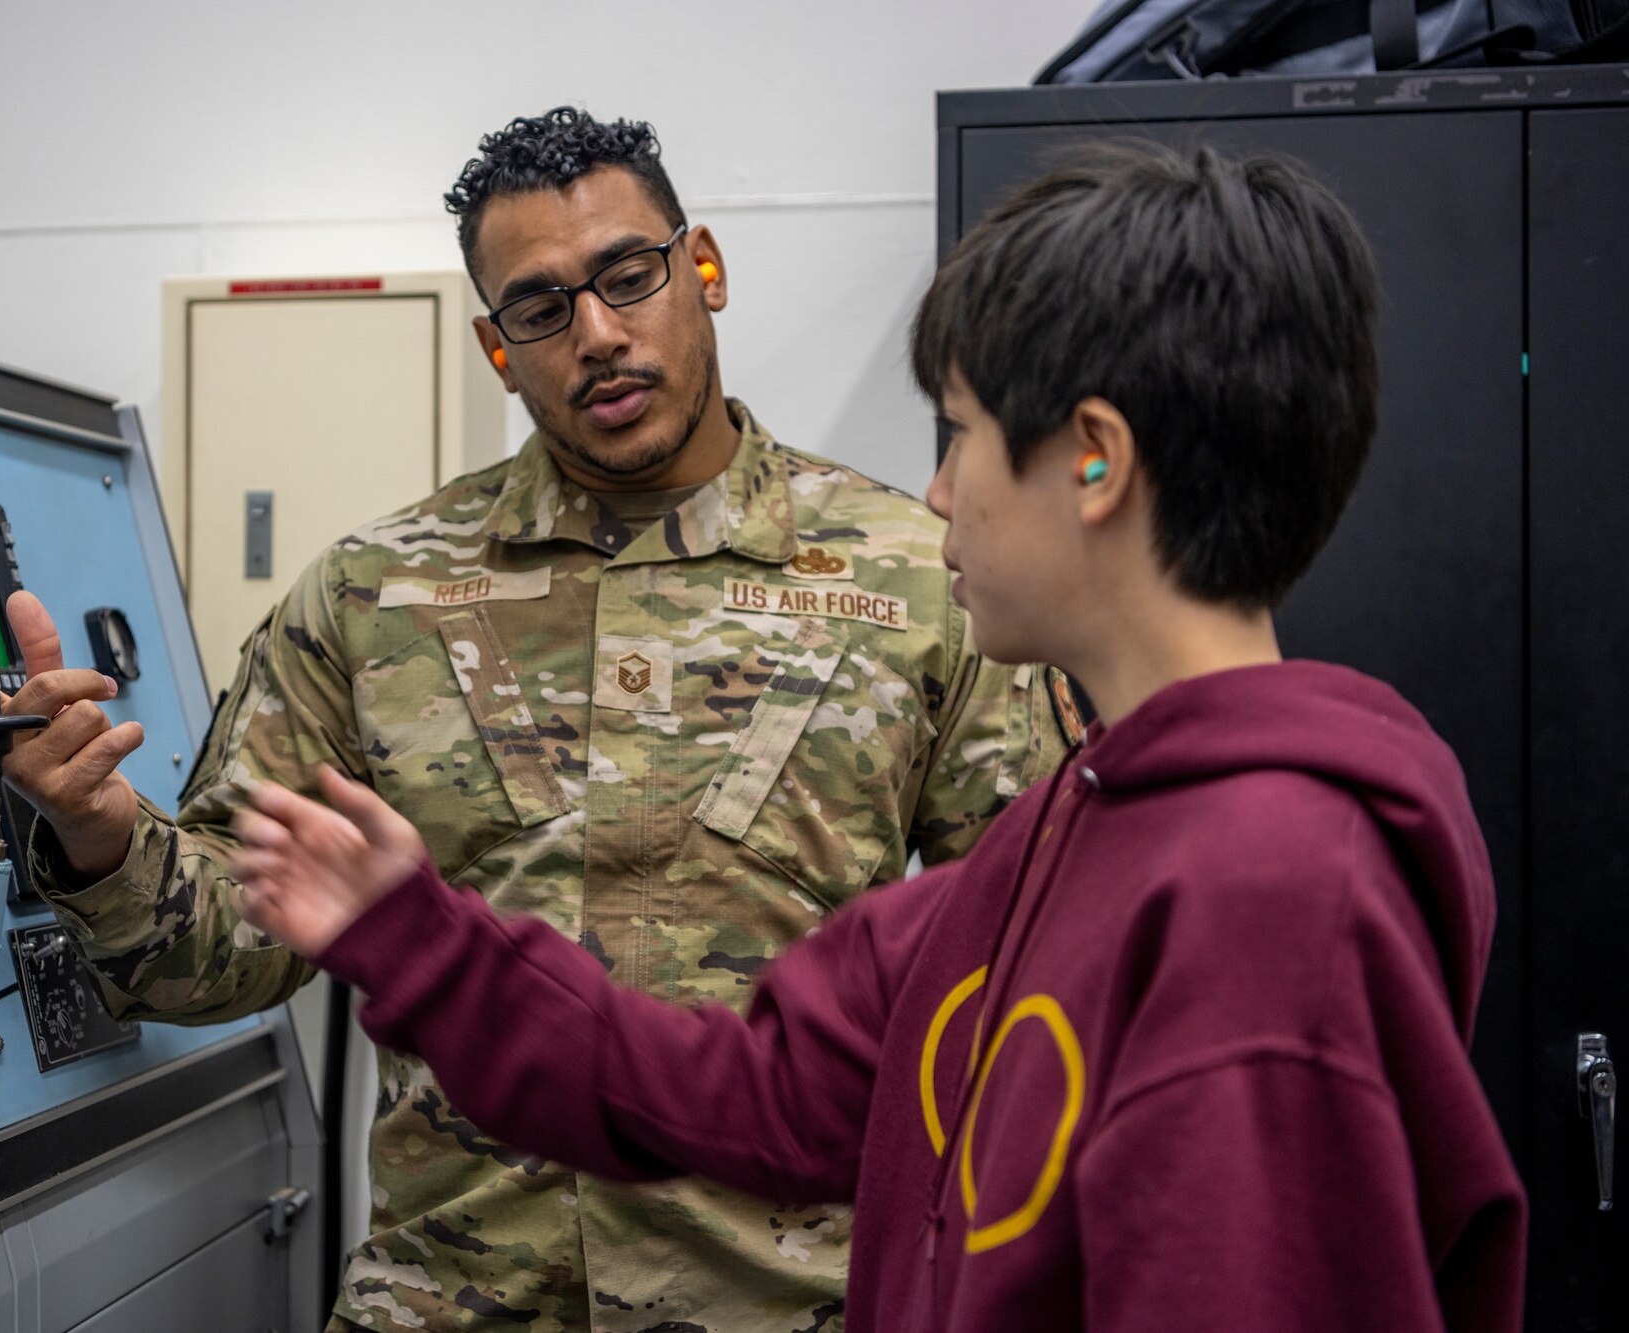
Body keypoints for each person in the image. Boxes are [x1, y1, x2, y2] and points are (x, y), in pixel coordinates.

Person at [224, 143, 1529, 1332]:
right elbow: (739, 1093)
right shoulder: (1044, 854)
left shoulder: (1271, 894)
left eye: (959, 432)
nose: (937, 489)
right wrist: (416, 934)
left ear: (1093, 462)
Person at [0, 107, 1067, 1331]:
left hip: (788, 1307)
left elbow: (1025, 963)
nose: (599, 336)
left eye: (628, 275)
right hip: (457, 1303)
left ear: (701, 268)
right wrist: (94, 834)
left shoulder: (917, 579)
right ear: (495, 345)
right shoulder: (372, 594)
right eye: (542, 307)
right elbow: (226, 959)